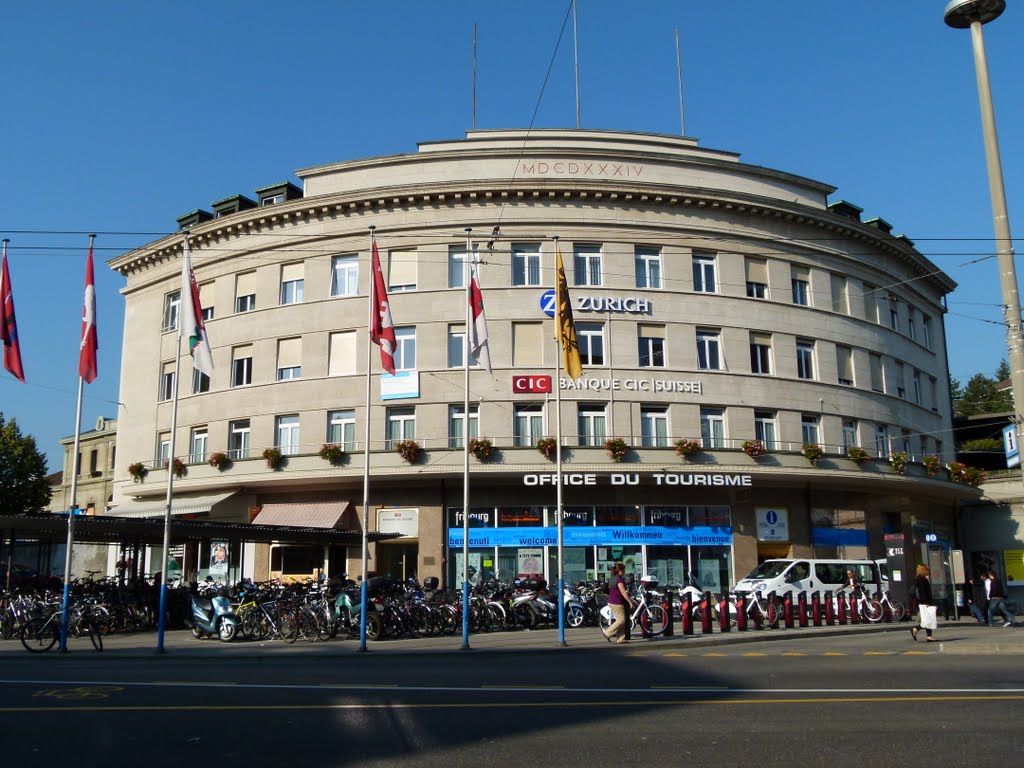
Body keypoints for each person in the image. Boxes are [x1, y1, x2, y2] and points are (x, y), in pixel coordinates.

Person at [602, 562, 635, 645]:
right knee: (622, 620)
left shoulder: (612, 578)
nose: (624, 572)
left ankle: (621, 639)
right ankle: (607, 633)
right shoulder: (619, 580)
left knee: (620, 620)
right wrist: (630, 602)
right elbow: (623, 592)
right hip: (617, 602)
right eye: (623, 570)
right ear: (620, 570)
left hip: (612, 601)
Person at [910, 564, 937, 642]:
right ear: (923, 570)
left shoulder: (918, 579)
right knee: (928, 619)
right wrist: (925, 602)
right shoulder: (922, 579)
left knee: (928, 618)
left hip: (923, 602)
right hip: (925, 602)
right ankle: (916, 629)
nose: (928, 571)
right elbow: (922, 592)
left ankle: (929, 636)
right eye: (927, 570)